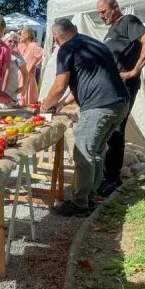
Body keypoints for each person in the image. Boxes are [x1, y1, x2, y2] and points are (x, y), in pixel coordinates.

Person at [41, 18, 130, 217]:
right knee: (96, 152)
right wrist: (62, 103)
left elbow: (59, 86)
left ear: (56, 37)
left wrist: (44, 106)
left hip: (99, 106)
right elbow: (88, 80)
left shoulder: (66, 48)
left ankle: (79, 204)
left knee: (83, 154)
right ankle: (90, 197)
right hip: (120, 103)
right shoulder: (95, 44)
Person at [96, 0, 145, 196]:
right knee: (110, 128)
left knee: (116, 129)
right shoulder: (112, 30)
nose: (101, 15)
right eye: (99, 13)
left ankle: (112, 179)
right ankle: (106, 175)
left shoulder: (128, 21)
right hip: (110, 87)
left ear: (115, 8)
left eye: (104, 11)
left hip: (124, 86)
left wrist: (134, 71)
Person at [17, 27, 43, 105]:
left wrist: (35, 65)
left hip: (28, 81)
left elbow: (44, 55)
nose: (19, 36)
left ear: (26, 35)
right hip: (19, 79)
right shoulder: (22, 46)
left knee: (27, 105)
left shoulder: (33, 46)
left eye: (21, 34)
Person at [2, 31, 28, 105]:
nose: (13, 43)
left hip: (11, 92)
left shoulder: (17, 57)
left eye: (15, 42)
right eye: (10, 41)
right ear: (4, 41)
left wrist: (23, 86)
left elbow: (25, 73)